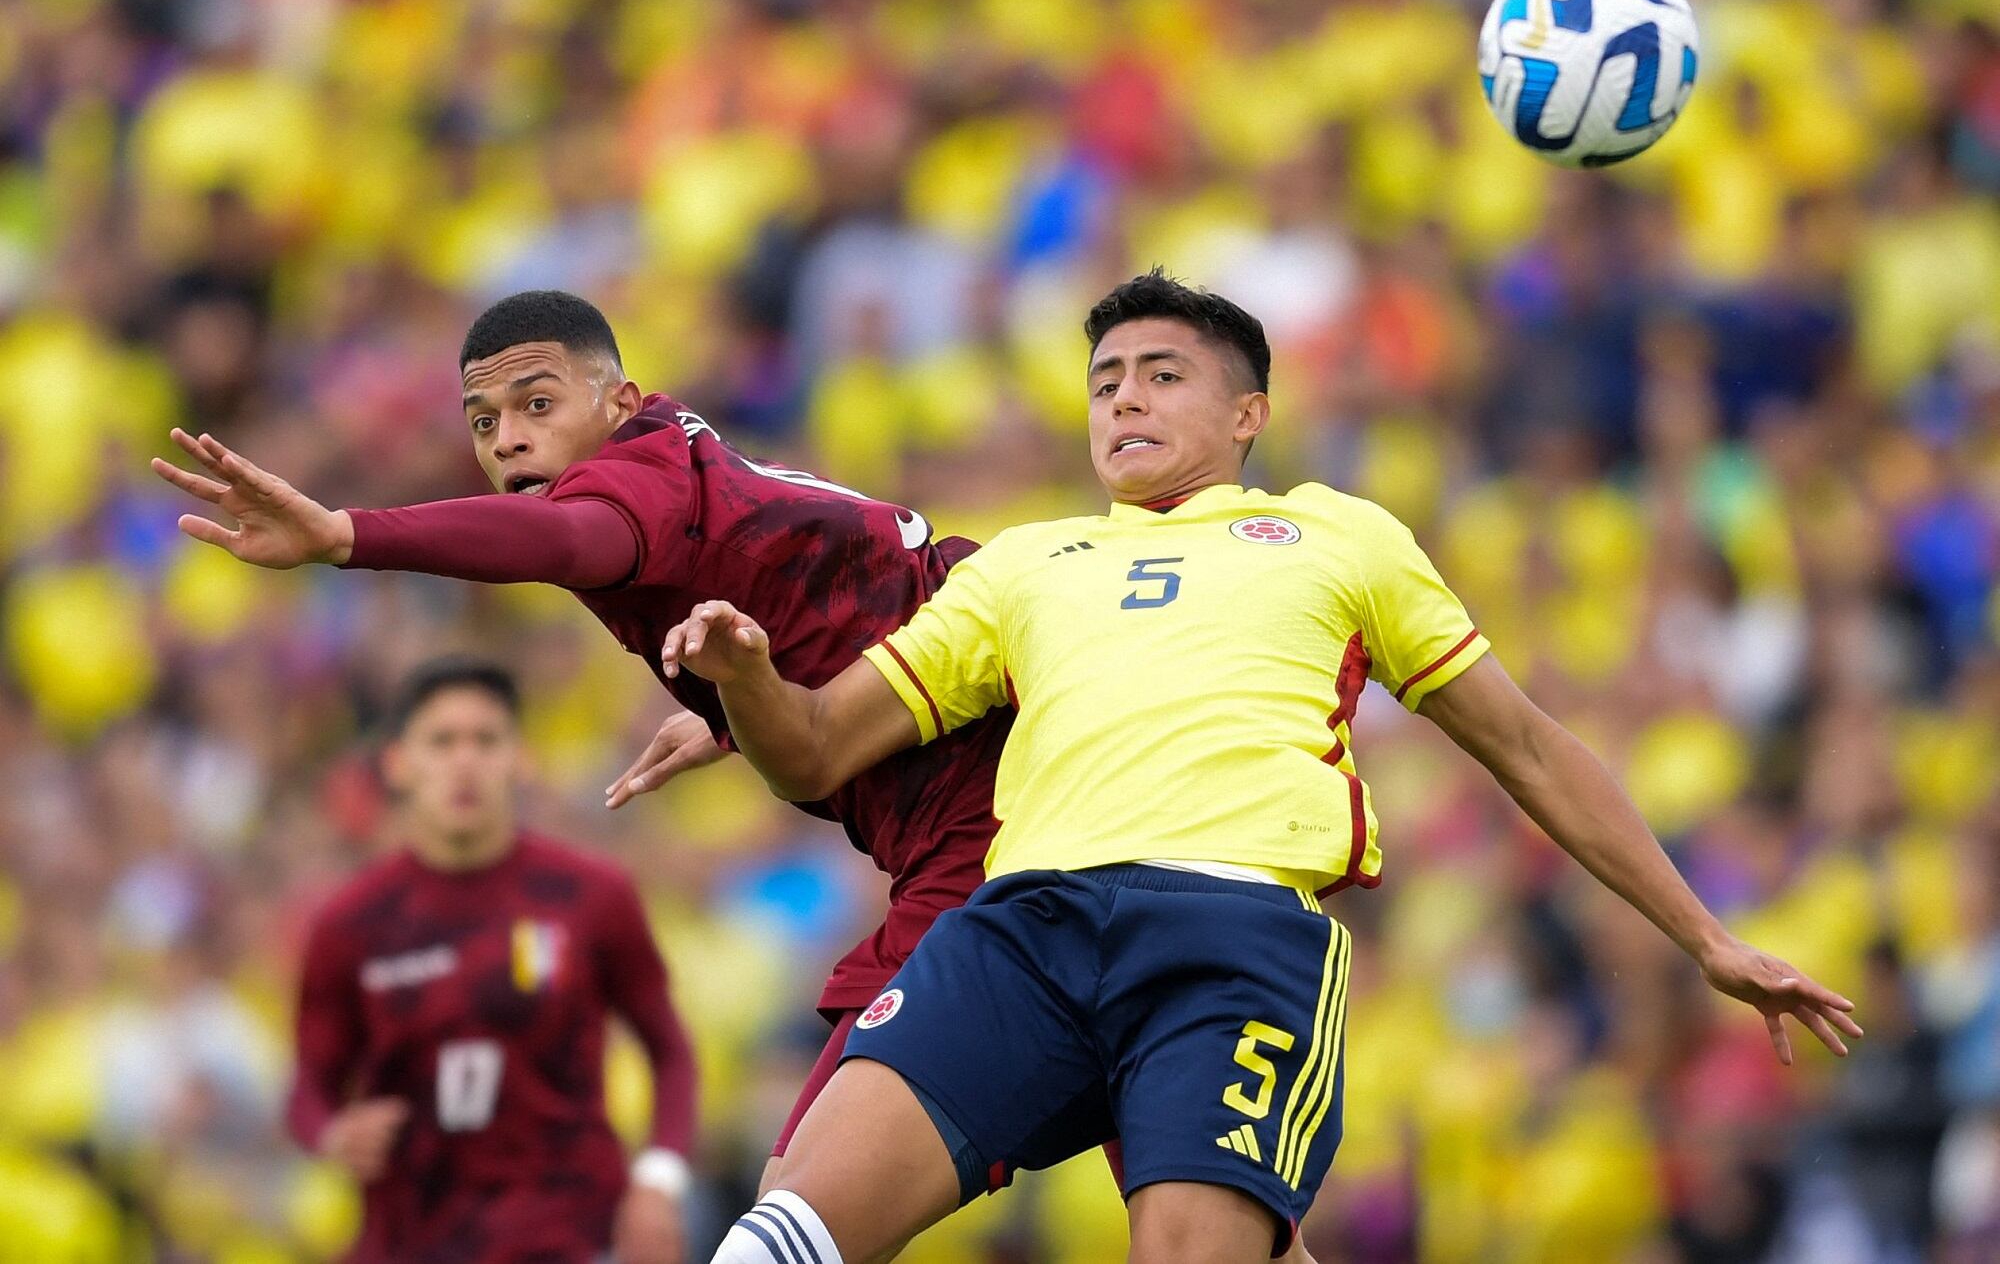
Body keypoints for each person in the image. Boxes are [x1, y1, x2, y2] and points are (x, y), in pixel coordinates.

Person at [659, 270, 1867, 1264]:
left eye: (1160, 373)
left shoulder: (1337, 534)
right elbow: (812, 749)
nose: (1121, 399)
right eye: (1103, 381)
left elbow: (1527, 746)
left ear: (1247, 415)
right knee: (774, 1239)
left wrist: (1703, 935)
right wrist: (746, 678)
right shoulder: (1025, 562)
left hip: (1226, 940)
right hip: (1018, 931)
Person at [153, 290, 1010, 1189]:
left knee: (800, 1206)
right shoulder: (666, 467)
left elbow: (565, 539)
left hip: (982, 812)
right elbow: (826, 588)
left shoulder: (620, 493)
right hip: (983, 757)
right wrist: (733, 715)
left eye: (536, 404)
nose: (508, 440)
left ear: (619, 403)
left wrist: (344, 535)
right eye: (483, 422)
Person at [287, 657, 696, 1264]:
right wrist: (332, 1134)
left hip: (569, 1237)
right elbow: (309, 1089)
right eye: (442, 741)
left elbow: (670, 1053)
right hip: (410, 1242)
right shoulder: (350, 925)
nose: (465, 761)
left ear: (519, 759)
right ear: (399, 764)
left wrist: (658, 1182)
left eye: (485, 740)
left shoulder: (591, 897)